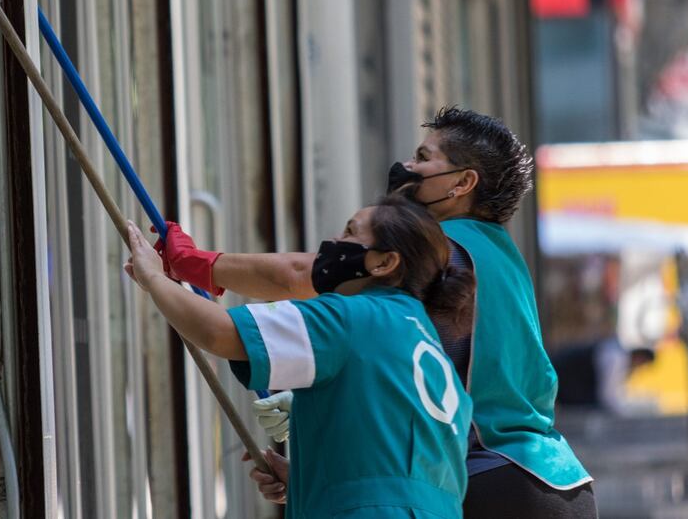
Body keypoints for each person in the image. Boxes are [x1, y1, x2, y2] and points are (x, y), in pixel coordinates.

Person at [157, 107, 598, 518]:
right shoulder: (501, 257)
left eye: (424, 158)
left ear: (462, 183)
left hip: (492, 478)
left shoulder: (439, 249)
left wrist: (198, 264)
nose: (407, 167)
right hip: (557, 482)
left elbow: (298, 276)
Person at [127, 192, 475, 518]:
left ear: (384, 262)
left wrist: (154, 278)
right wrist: (309, 481)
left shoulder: (353, 317)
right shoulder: (423, 341)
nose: (334, 243)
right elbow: (395, 466)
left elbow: (218, 332)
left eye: (350, 232)